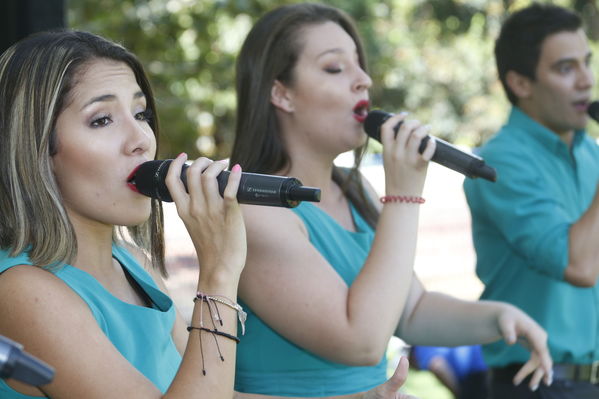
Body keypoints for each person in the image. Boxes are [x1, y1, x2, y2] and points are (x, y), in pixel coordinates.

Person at [0, 29, 427, 399]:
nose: (141, 140)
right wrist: (219, 273)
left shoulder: (132, 264)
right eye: (102, 120)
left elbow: (217, 393)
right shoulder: (24, 292)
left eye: (141, 113)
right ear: (36, 151)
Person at [228, 3, 553, 399]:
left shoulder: (353, 189)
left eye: (360, 65)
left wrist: (501, 316)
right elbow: (361, 341)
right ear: (281, 94)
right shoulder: (255, 209)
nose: (363, 79)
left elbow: (411, 311)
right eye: (335, 68)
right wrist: (404, 194)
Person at [463, 3, 599, 398]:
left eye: (586, 63)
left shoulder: (591, 153)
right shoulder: (499, 162)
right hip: (538, 384)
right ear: (521, 83)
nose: (586, 81)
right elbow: (579, 266)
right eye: (565, 68)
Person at [409, 345, 488, 399]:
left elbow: (437, 366)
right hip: (485, 363)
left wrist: (458, 393)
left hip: (474, 376)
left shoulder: (420, 350)